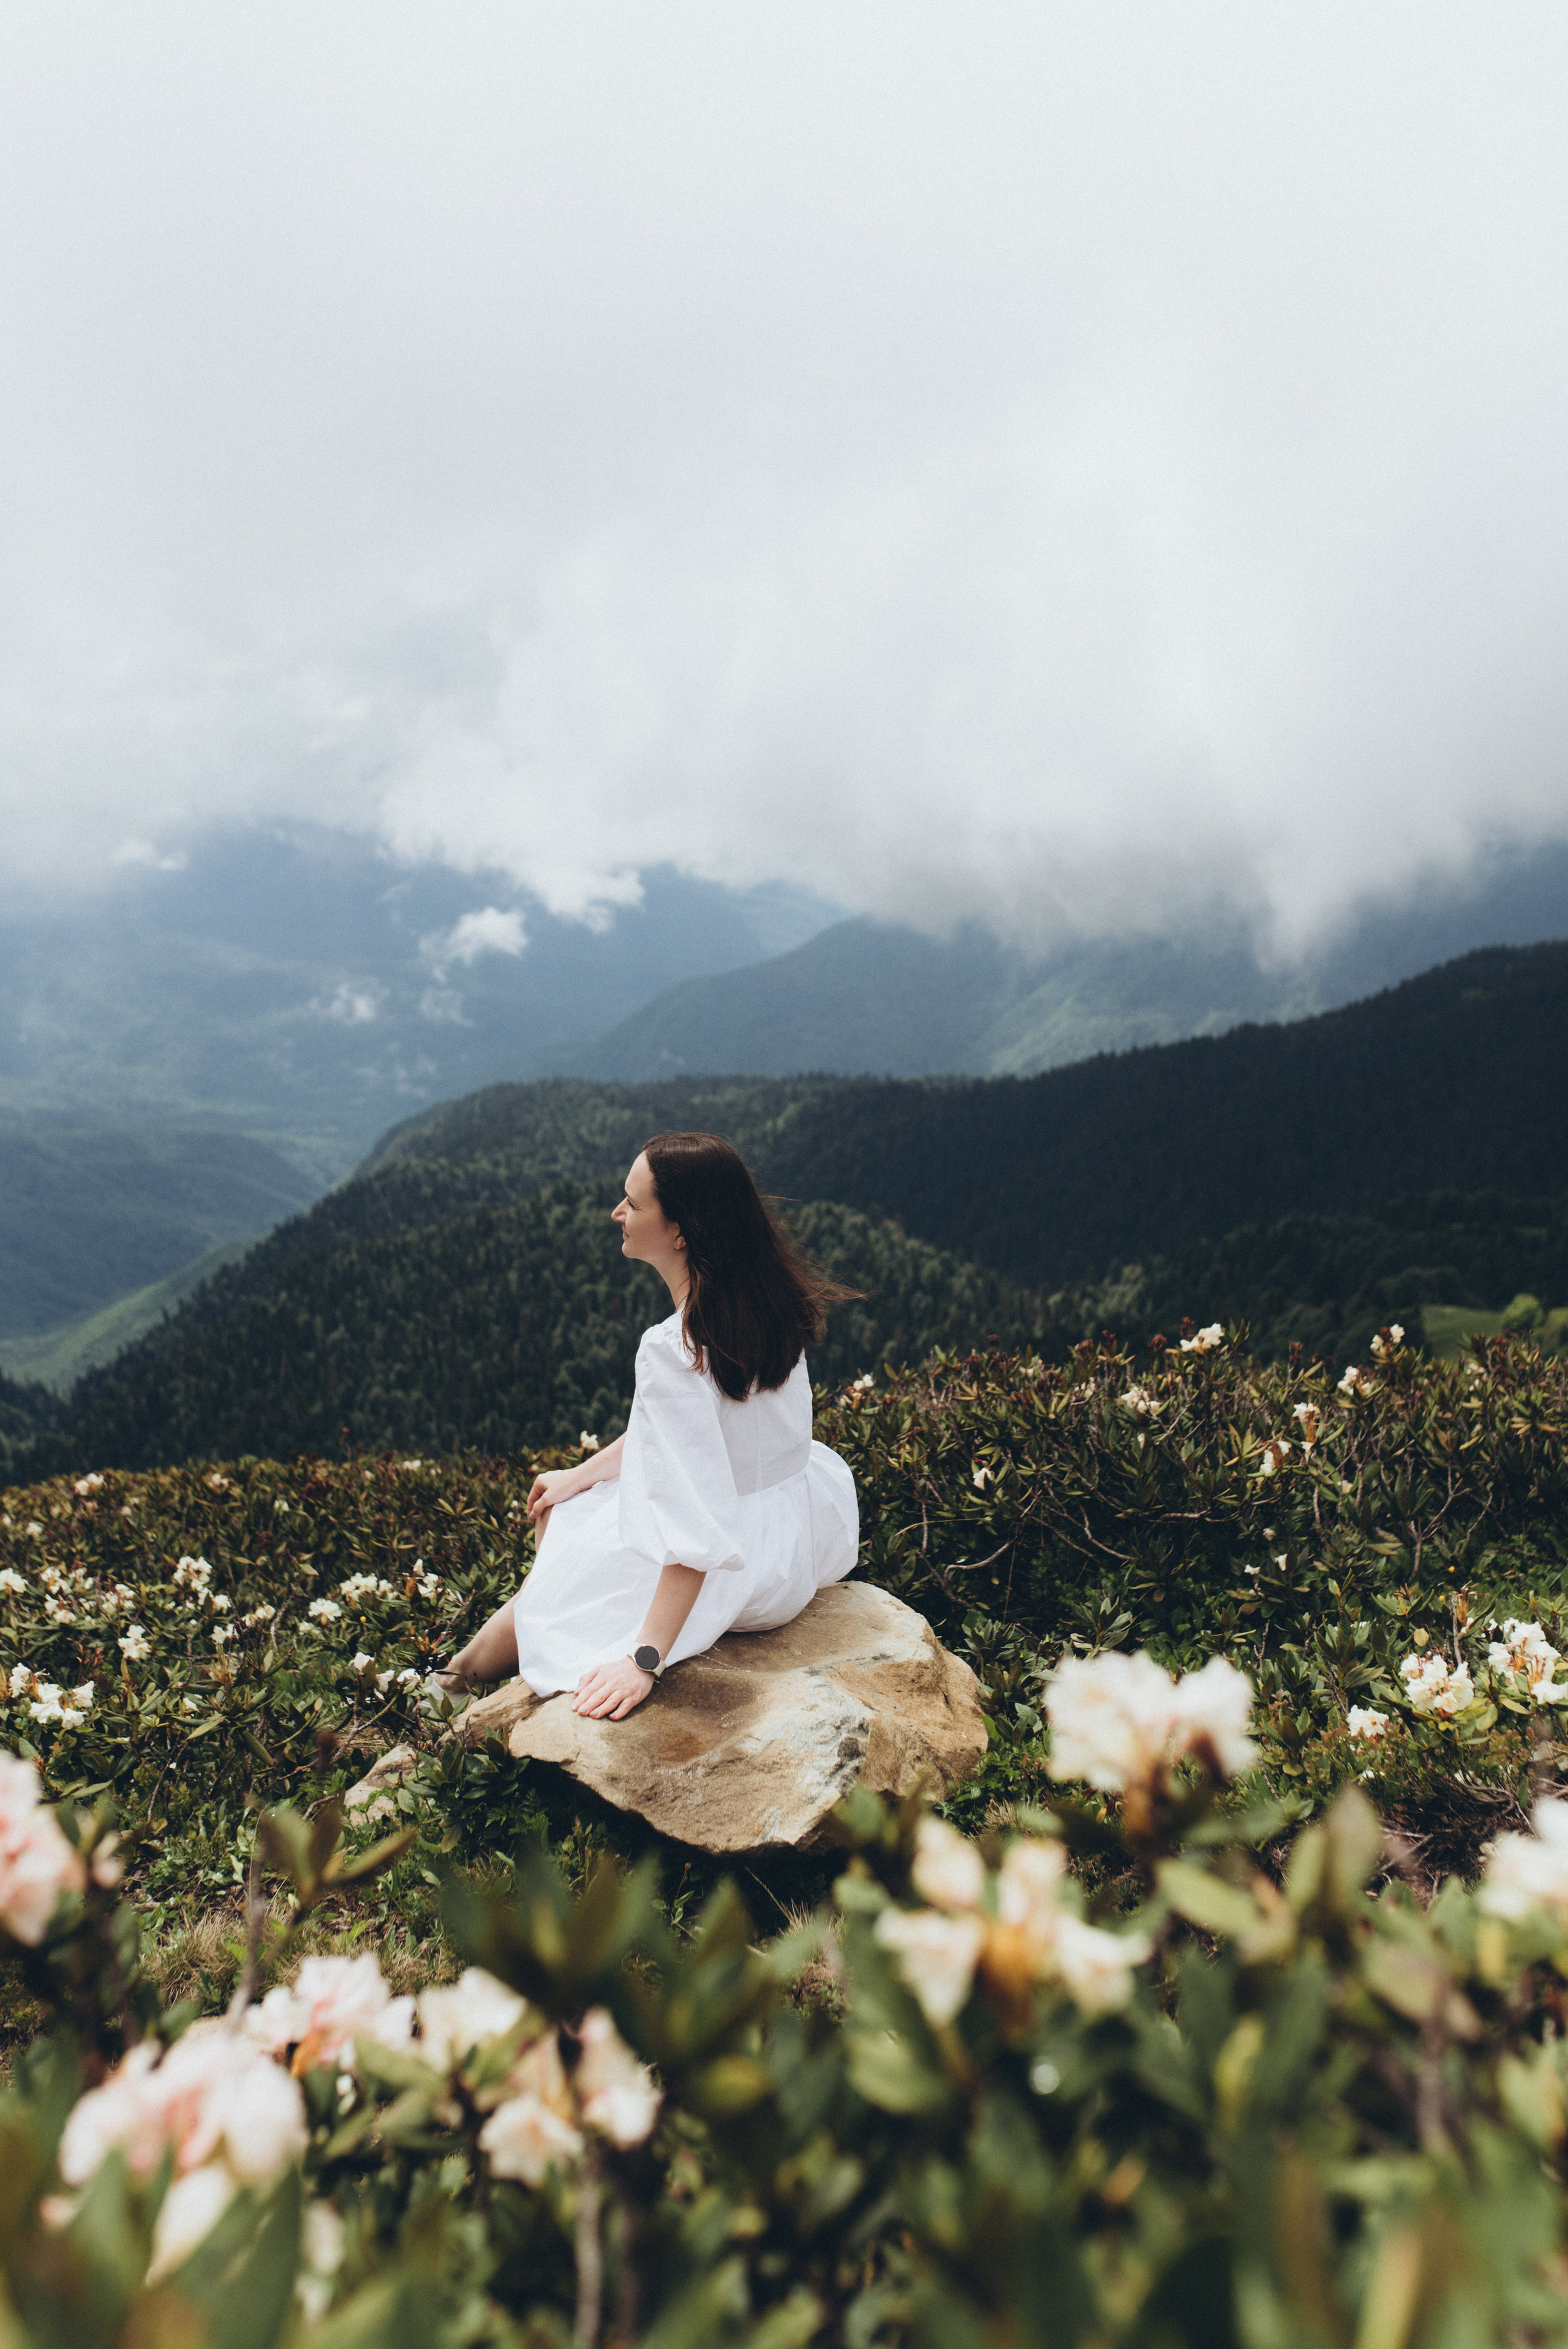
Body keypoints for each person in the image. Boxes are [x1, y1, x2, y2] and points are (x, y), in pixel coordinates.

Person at [433, 1131, 861, 1721]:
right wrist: (582, 1472)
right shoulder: (772, 1305)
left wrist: (643, 1661)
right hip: (793, 1544)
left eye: (633, 1204)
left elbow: (693, 1532)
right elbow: (696, 1442)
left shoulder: (673, 1348)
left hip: (729, 1573)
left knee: (570, 1545)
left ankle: (451, 1681)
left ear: (682, 1230)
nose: (618, 1213)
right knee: (575, 1502)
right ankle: (454, 1676)